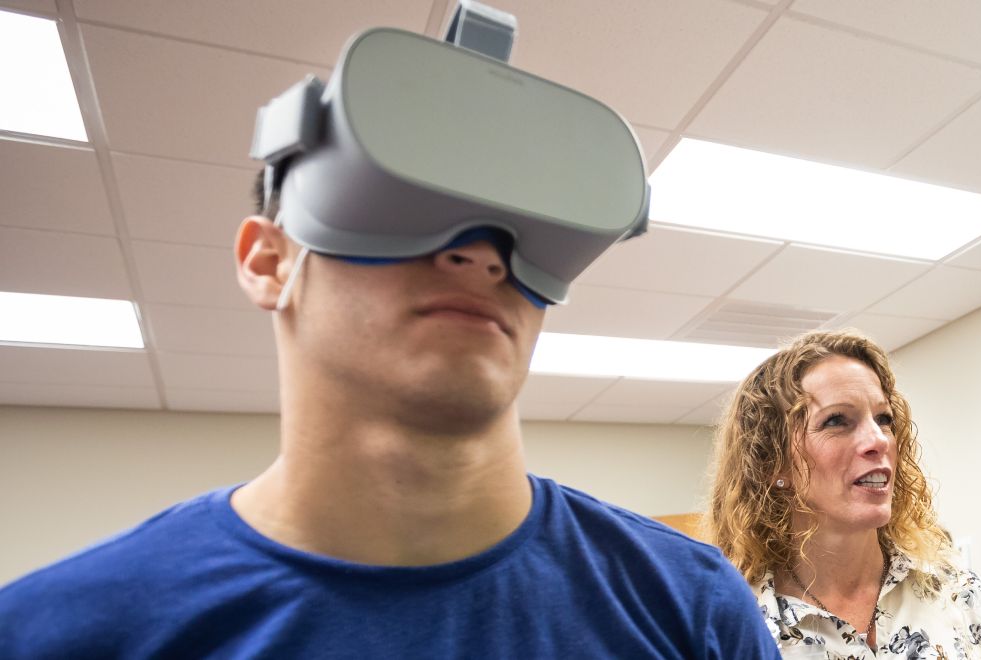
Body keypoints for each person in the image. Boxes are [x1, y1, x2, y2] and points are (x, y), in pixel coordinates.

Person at [0, 172, 780, 658]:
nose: (483, 256)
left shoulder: (691, 606)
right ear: (270, 261)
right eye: (404, 202)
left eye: (519, 229)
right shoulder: (57, 632)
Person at [702, 330, 981, 658]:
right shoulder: (736, 629)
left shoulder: (959, 594)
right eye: (837, 420)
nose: (879, 440)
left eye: (884, 419)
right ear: (773, 465)